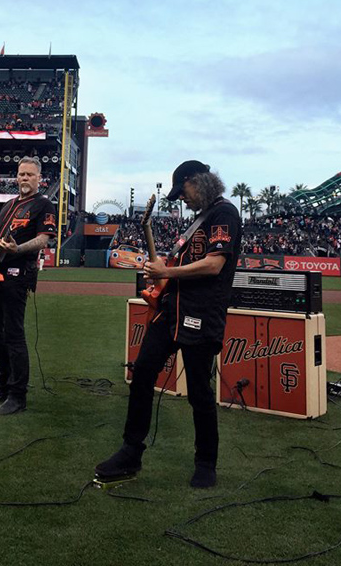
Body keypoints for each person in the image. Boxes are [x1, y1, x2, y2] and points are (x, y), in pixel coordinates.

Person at [95, 160, 242, 488]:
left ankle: (206, 462)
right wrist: (163, 270)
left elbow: (215, 265)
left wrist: (166, 273)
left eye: (184, 191)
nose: (182, 199)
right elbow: (178, 264)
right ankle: (131, 451)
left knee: (200, 391)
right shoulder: (200, 220)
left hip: (201, 314)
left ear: (198, 182)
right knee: (143, 371)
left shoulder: (224, 214)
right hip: (171, 310)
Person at [0, 157, 57, 415]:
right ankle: (6, 384)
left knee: (13, 333)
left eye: (30, 174)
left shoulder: (44, 204)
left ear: (39, 179)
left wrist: (18, 248)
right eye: (21, 174)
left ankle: (18, 395)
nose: (24, 178)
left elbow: (44, 239)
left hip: (19, 273)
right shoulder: (8, 205)